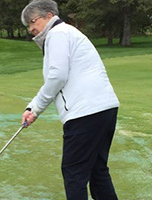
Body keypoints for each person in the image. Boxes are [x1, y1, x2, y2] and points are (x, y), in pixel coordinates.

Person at [20, 0, 120, 199]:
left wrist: (35, 108)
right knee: (97, 171)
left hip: (85, 114)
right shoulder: (68, 32)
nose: (31, 28)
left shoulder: (57, 34)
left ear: (49, 16)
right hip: (104, 109)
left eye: (33, 21)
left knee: (74, 174)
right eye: (28, 25)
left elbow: (57, 75)